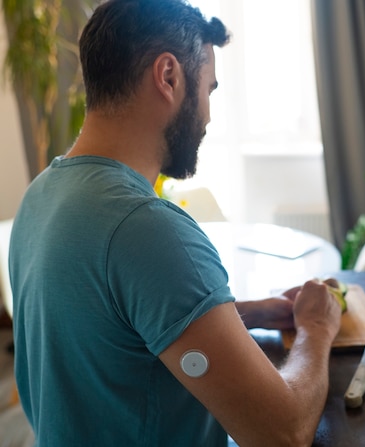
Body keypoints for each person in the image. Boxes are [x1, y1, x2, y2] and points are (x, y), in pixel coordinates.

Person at [9, 1, 342, 446]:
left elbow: (111, 329)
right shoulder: (149, 231)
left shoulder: (40, 195)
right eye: (209, 88)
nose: (207, 114)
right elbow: (282, 432)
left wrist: (247, 313)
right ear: (168, 76)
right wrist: (317, 329)